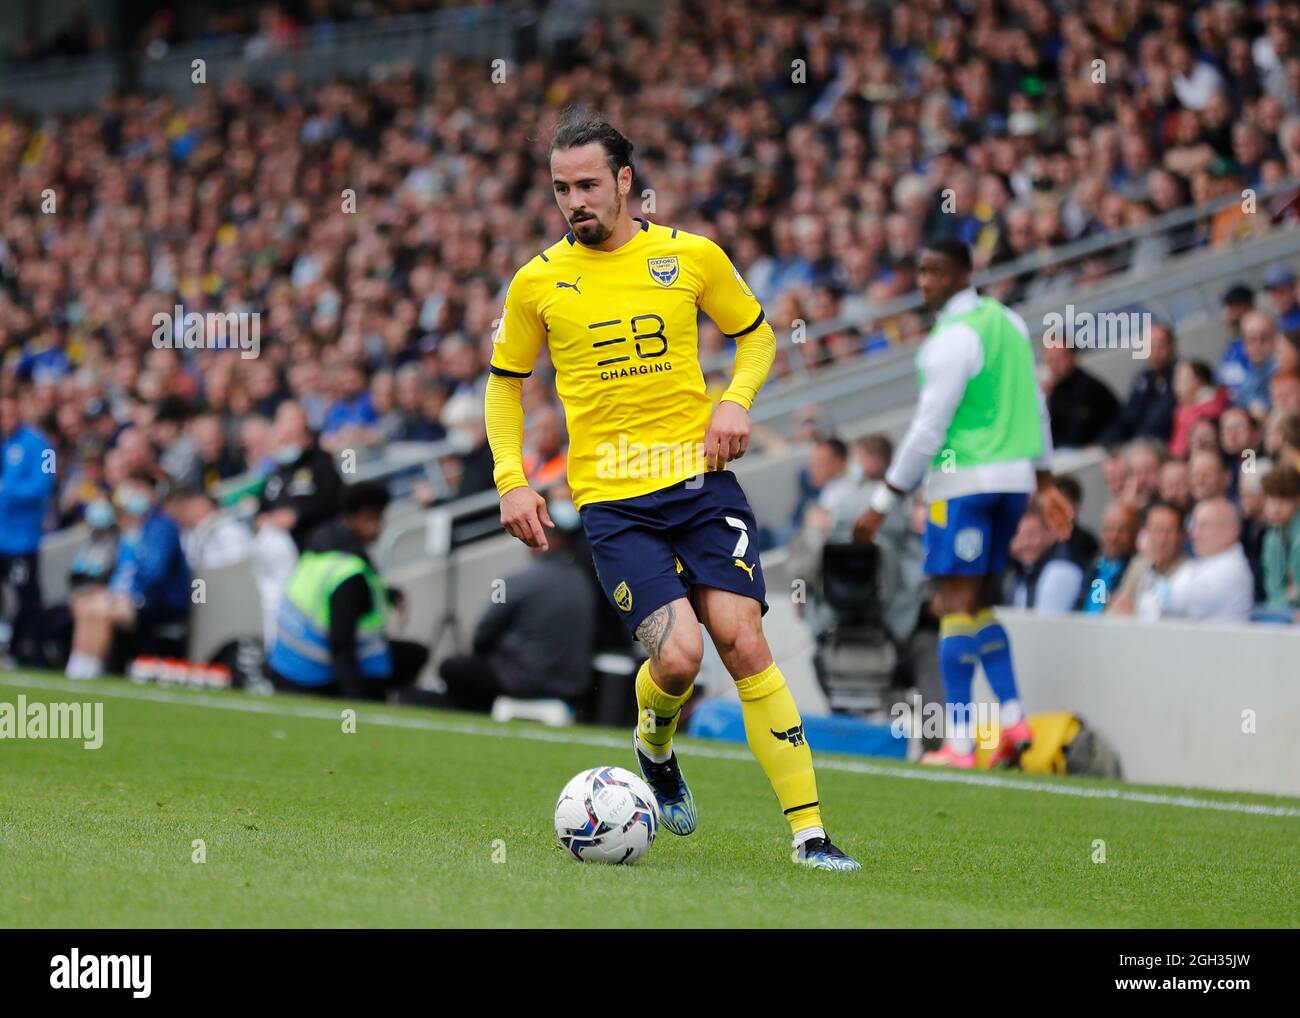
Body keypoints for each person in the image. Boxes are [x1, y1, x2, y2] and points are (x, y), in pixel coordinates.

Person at [485, 112, 857, 870]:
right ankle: (653, 745)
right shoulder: (537, 282)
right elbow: (505, 388)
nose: (574, 200)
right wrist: (511, 481)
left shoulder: (689, 257)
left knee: (746, 642)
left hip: (701, 489)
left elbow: (755, 335)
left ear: (626, 181)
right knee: (681, 659)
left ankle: (810, 835)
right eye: (561, 188)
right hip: (616, 508)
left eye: (588, 183)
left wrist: (735, 401)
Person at [852, 239, 1074, 770]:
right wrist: (1043, 481)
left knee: (953, 607)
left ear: (963, 274)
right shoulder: (1010, 323)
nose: (924, 281)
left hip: (963, 483)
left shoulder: (949, 340)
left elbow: (928, 430)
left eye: (935, 271)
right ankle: (1015, 718)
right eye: (920, 271)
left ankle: (959, 743)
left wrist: (883, 500)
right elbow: (1037, 406)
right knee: (979, 605)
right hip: (1013, 481)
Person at [266, 483, 428, 699]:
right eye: (369, 519)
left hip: (285, 666)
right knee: (407, 657)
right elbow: (341, 644)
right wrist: (356, 702)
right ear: (351, 518)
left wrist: (387, 595)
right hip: (314, 677)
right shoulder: (348, 572)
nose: (376, 528)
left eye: (379, 519)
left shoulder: (320, 543)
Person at [438, 498, 596, 710]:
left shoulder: (516, 580)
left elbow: (482, 633)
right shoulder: (584, 581)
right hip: (572, 685)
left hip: (521, 681)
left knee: (453, 667)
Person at [65, 473, 191, 680]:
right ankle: (77, 669)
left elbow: (155, 574)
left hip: (155, 602)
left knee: (102, 611)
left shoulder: (162, 527)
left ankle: (92, 672)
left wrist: (126, 595)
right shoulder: (127, 526)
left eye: (139, 489)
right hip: (126, 596)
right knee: (87, 607)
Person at [0, 390, 56, 666]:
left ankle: (30, 651)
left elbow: (44, 486)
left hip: (22, 539)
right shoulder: (4, 444)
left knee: (27, 596)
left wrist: (8, 490)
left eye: (9, 414)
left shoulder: (41, 445)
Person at [1159, 498, 1254, 623]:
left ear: (1231, 531)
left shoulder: (1231, 570)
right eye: (1194, 525)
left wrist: (1156, 596)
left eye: (1203, 525)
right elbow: (1159, 593)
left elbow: (1173, 602)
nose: (1194, 534)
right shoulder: (1199, 563)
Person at [1099, 321, 1177, 444]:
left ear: (1172, 346)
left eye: (1160, 346)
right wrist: (1104, 443)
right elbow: (1127, 417)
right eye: (1150, 346)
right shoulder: (1143, 378)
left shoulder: (1180, 376)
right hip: (1137, 445)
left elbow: (1163, 421)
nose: (1155, 352)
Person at [1108, 501, 1190, 620]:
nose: (1162, 539)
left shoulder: (1190, 571)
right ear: (1146, 533)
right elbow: (1117, 609)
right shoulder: (1139, 565)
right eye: (1157, 530)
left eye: (1169, 531)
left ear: (1182, 535)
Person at [1041, 343, 1119, 448]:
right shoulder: (1055, 392)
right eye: (1050, 361)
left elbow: (1079, 433)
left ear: (1073, 357)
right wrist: (1044, 401)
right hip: (1066, 450)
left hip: (1094, 449)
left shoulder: (1089, 387)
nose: (1054, 365)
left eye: (1059, 359)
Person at [1078, 501, 1139, 612]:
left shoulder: (1137, 569)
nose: (1113, 537)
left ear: (1134, 534)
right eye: (1108, 529)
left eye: (1122, 531)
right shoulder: (1093, 565)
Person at [1258, 465, 1300, 618]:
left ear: (1297, 499)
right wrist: (1289, 595)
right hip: (1281, 615)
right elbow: (1273, 590)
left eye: (1283, 499)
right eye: (1270, 499)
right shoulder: (1271, 538)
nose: (1275, 508)